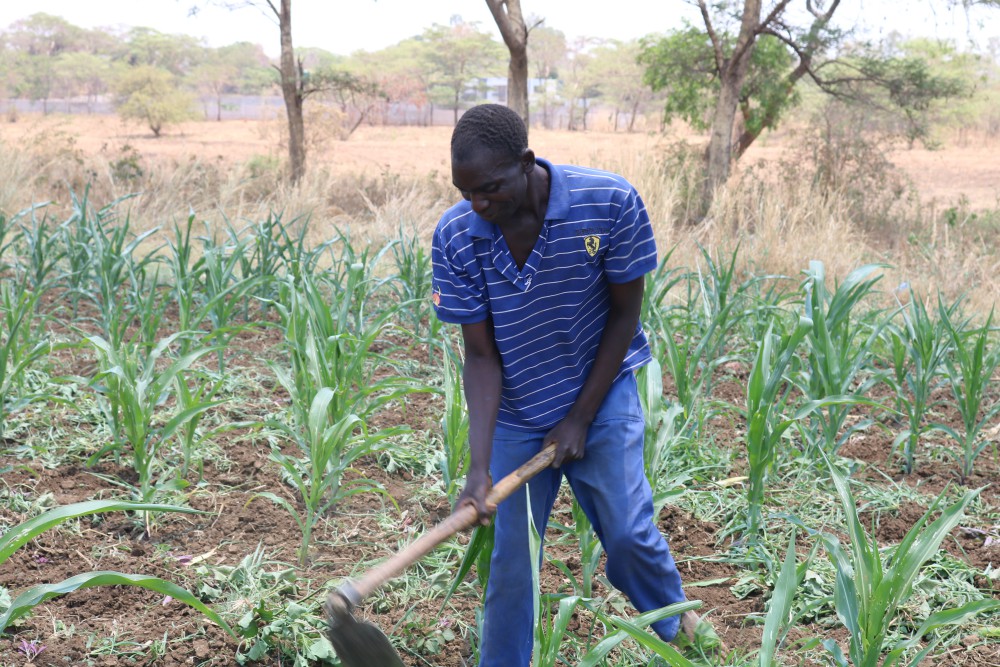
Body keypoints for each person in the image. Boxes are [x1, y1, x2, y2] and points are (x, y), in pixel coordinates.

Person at [430, 103, 718, 666]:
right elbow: (481, 357)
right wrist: (478, 469)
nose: (478, 205)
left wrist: (581, 418)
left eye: (490, 188)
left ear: (526, 162)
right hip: (516, 410)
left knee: (629, 534)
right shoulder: (457, 237)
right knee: (513, 564)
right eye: (466, 192)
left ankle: (689, 640)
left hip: (600, 392)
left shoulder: (608, 203)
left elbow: (624, 316)